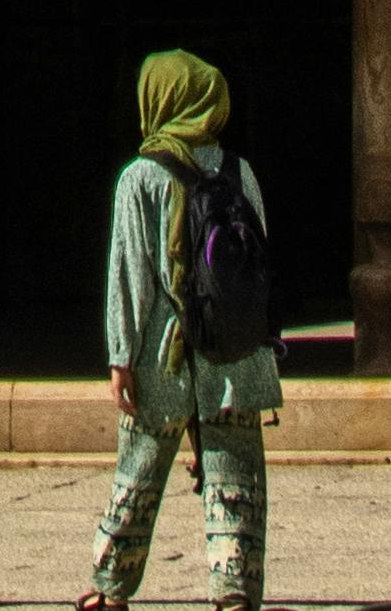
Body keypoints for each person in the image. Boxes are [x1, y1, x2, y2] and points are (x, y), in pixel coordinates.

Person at [85, 46, 278, 611]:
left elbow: (130, 278)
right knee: (235, 467)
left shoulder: (140, 177)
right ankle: (235, 587)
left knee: (140, 467)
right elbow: (259, 263)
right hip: (235, 350)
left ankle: (110, 587)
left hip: (162, 352)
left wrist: (120, 356)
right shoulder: (240, 171)